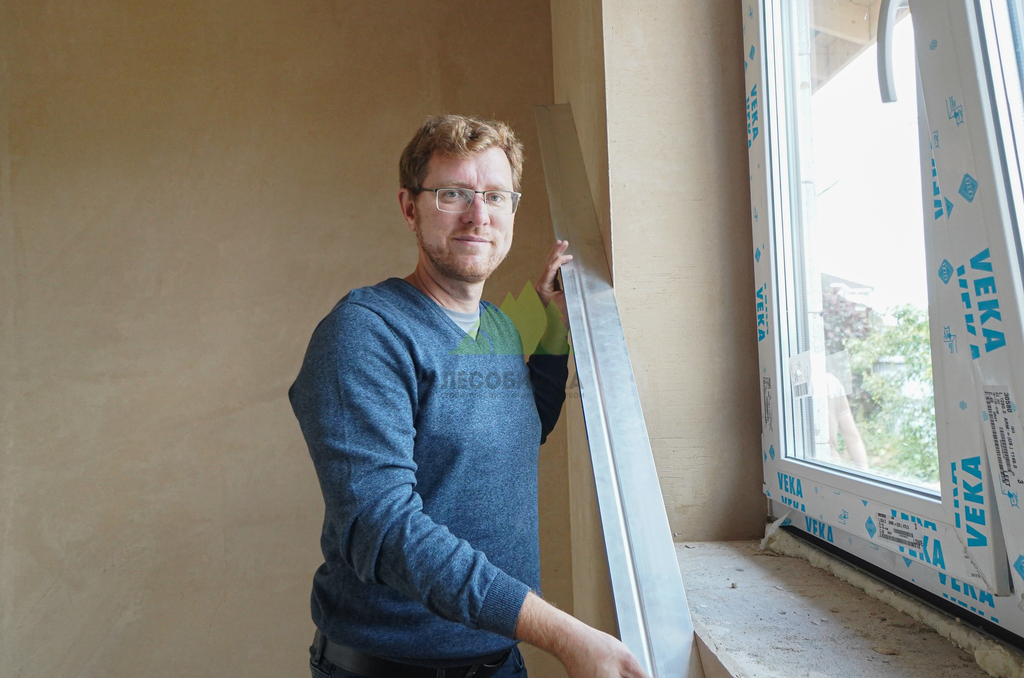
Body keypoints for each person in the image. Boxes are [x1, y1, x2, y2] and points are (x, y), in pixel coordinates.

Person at [289, 115, 647, 678]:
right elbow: (382, 527)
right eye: (453, 194)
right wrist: (561, 633)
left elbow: (523, 427)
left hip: (499, 661)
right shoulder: (364, 333)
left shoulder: (498, 326)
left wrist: (555, 329)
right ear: (410, 207)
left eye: (496, 196)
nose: (479, 215)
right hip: (391, 668)